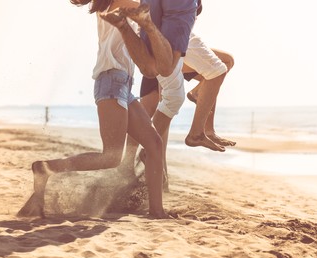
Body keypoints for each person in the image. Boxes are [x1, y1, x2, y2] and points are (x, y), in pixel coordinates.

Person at [17, 0, 169, 219]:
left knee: (154, 144)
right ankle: (45, 168)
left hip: (124, 82)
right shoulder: (119, 2)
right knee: (111, 157)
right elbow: (151, 10)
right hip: (111, 79)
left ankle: (157, 211)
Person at [102, 0, 197, 188]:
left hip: (155, 46)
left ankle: (151, 170)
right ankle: (132, 165)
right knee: (156, 103)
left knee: (159, 105)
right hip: (159, 45)